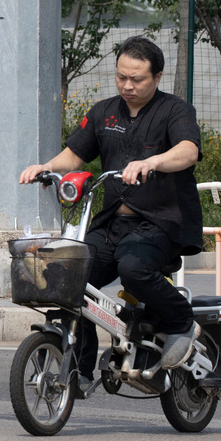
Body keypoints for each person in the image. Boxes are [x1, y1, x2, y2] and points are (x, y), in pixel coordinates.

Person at [19, 35, 204, 393]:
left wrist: (153, 161)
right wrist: (46, 167)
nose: (127, 85)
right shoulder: (103, 112)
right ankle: (80, 369)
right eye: (121, 77)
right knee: (67, 275)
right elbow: (74, 155)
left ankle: (182, 321)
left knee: (133, 270)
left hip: (159, 223)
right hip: (111, 224)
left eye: (137, 79)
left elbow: (188, 151)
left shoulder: (175, 110)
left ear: (157, 77)